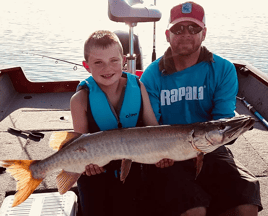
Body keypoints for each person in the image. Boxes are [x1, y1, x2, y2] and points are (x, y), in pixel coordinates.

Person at [141, 2, 263, 216]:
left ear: (204, 33)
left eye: (193, 28)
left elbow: (222, 121)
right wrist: (160, 154)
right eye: (178, 29)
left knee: (246, 205)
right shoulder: (152, 74)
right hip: (167, 155)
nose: (185, 34)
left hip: (211, 150)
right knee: (194, 210)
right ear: (168, 34)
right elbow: (152, 126)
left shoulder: (223, 69)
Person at [70, 30, 158, 216]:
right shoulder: (79, 99)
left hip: (133, 168)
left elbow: (154, 129)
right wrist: (87, 166)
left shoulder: (139, 86)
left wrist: (164, 152)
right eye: (98, 63)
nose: (107, 69)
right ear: (87, 66)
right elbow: (80, 144)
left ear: (124, 60)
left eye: (113, 61)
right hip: (95, 174)